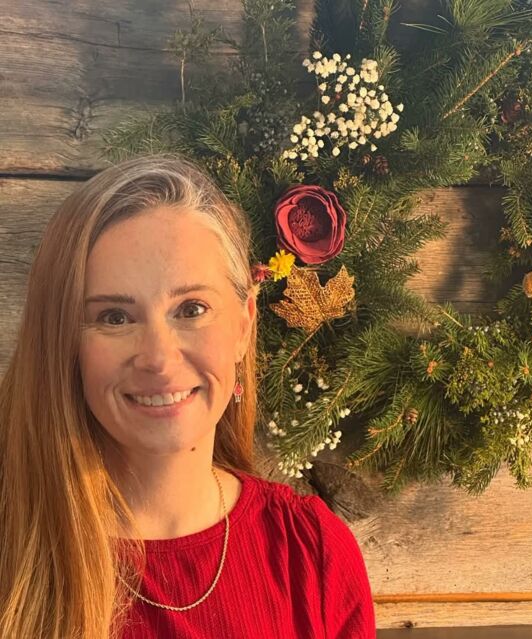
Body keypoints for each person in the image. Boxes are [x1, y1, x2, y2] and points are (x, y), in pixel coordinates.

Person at [0, 154, 376, 638]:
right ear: (64, 341)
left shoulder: (313, 552)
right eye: (114, 317)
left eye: (191, 309)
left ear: (243, 325)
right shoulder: (14, 551)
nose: (158, 358)